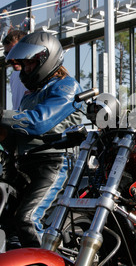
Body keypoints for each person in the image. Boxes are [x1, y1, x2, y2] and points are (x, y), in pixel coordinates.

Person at [0, 31, 83, 248]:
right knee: (6, 220)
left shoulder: (65, 87)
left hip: (54, 165)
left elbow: (38, 122)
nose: (26, 69)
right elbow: (20, 134)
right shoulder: (30, 94)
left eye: (30, 64)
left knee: (27, 219)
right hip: (23, 164)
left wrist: (2, 117)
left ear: (46, 60)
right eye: (24, 65)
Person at [3, 30, 27, 109]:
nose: (12, 58)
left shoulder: (41, 77)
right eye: (8, 54)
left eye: (15, 52)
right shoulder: (14, 75)